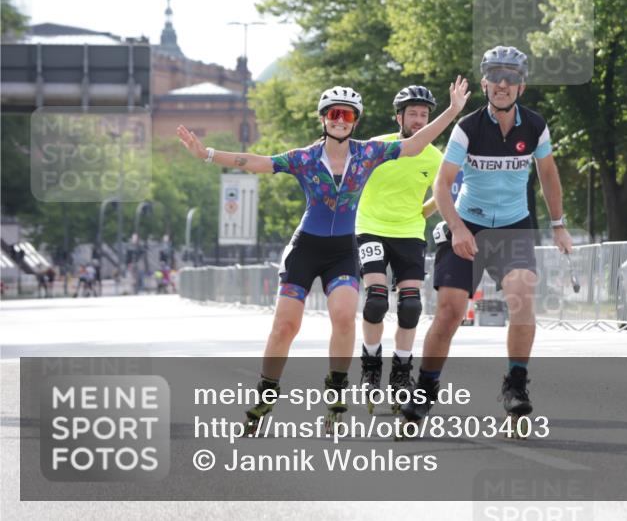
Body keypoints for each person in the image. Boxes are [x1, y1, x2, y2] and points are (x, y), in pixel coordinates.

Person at [176, 76, 469, 432]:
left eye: (347, 115)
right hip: (305, 248)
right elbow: (255, 161)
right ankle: (266, 393)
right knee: (285, 326)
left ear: (355, 121)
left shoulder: (368, 153)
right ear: (323, 118)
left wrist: (453, 111)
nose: (340, 120)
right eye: (333, 113)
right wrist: (207, 154)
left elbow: (417, 142)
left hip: (343, 251)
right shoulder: (304, 158)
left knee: (345, 318)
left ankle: (336, 388)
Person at [401, 46, 572, 436]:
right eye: (496, 76)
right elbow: (442, 185)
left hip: (513, 226)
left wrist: (558, 223)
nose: (503, 84)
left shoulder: (535, 126)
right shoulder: (468, 128)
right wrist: (458, 229)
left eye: (511, 77)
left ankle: (515, 384)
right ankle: (424, 390)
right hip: (468, 225)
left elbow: (548, 174)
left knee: (523, 293)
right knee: (450, 309)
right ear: (485, 83)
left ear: (521, 86)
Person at [354, 86, 442, 413]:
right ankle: (370, 365)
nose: (419, 121)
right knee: (376, 299)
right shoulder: (378, 147)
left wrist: (423, 211)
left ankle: (401, 373)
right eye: (413, 114)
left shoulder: (434, 157)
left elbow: (445, 192)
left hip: (409, 233)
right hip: (371, 229)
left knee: (411, 307)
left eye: (424, 115)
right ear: (399, 117)